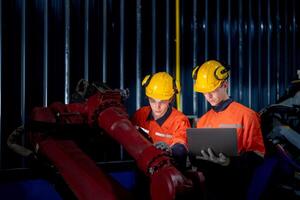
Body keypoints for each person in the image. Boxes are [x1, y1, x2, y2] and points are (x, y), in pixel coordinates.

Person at [191, 60, 266, 199]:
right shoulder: (202, 120)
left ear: (225, 85)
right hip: (209, 189)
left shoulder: (247, 116)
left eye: (212, 91)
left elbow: (258, 156)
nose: (208, 97)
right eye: (204, 93)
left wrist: (229, 161)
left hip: (236, 189)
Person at [131, 72, 190, 171]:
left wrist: (169, 151)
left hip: (170, 172)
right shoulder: (140, 115)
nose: (157, 107)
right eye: (152, 101)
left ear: (171, 99)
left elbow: (180, 147)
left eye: (162, 101)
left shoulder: (180, 120)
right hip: (142, 170)